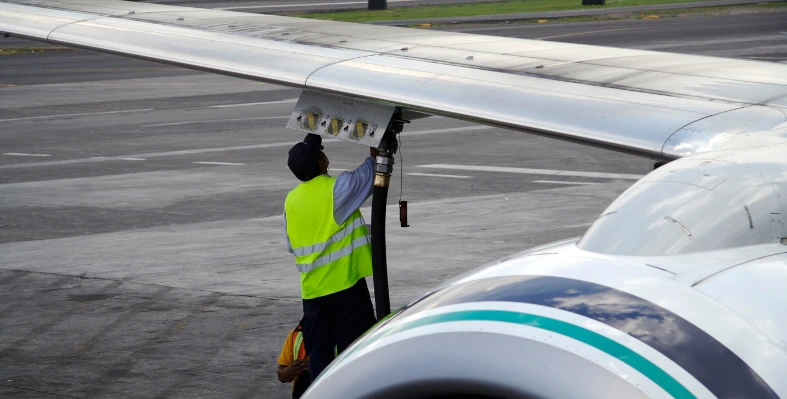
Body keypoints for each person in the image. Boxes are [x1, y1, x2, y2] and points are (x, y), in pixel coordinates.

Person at [283, 133, 378, 381]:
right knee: (356, 355)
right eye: (321, 153)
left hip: (312, 297)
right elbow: (372, 171)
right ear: (321, 162)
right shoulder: (336, 190)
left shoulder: (291, 200)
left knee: (321, 361)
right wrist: (378, 140)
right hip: (346, 290)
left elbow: (292, 246)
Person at [277, 320, 311, 399]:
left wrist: (318, 368)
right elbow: (281, 376)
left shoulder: (341, 335)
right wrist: (290, 370)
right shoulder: (296, 334)